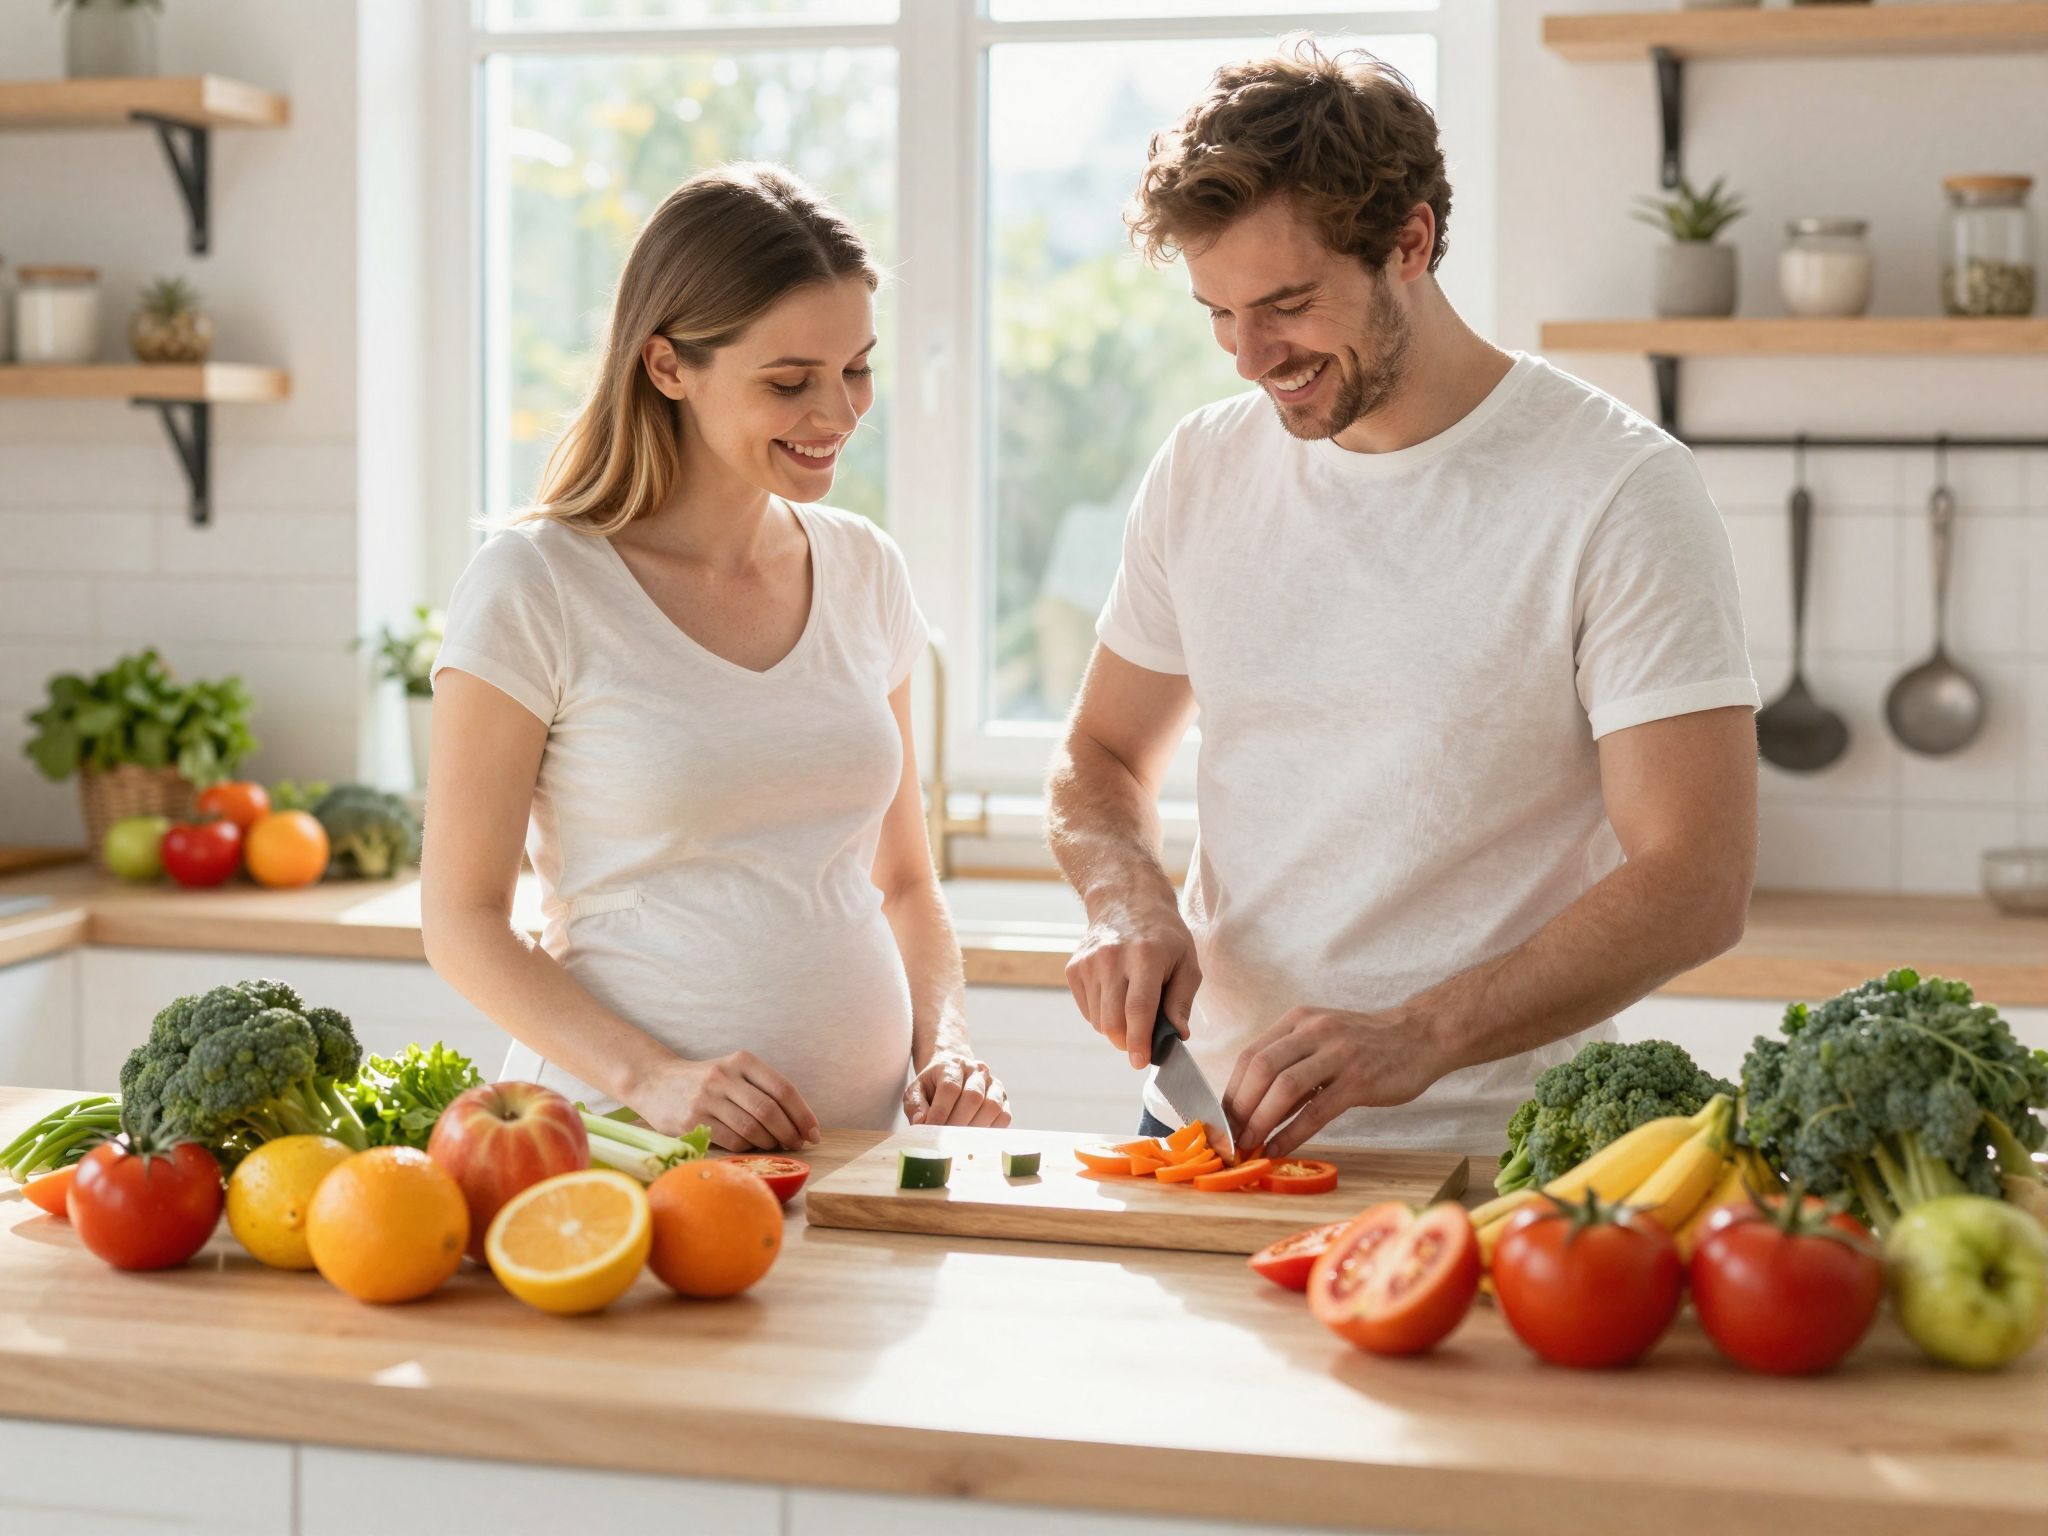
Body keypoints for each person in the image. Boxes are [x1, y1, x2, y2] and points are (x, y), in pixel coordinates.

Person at [1048, 41, 1759, 1161]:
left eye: (1286, 305)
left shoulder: (1616, 488)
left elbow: (1695, 880)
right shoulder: (1201, 468)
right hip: (1211, 1131)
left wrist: (1419, 1034)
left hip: (1493, 1152)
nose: (1249, 358)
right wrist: (1124, 895)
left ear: (1410, 243)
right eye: (1217, 313)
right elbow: (1100, 752)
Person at [423, 164, 1011, 1152]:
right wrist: (652, 1078)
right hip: (626, 1152)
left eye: (857, 369)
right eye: (789, 382)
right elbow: (461, 921)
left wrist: (945, 1046)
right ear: (667, 366)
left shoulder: (864, 569)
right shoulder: (537, 584)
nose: (839, 414)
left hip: (860, 1154)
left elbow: (906, 881)